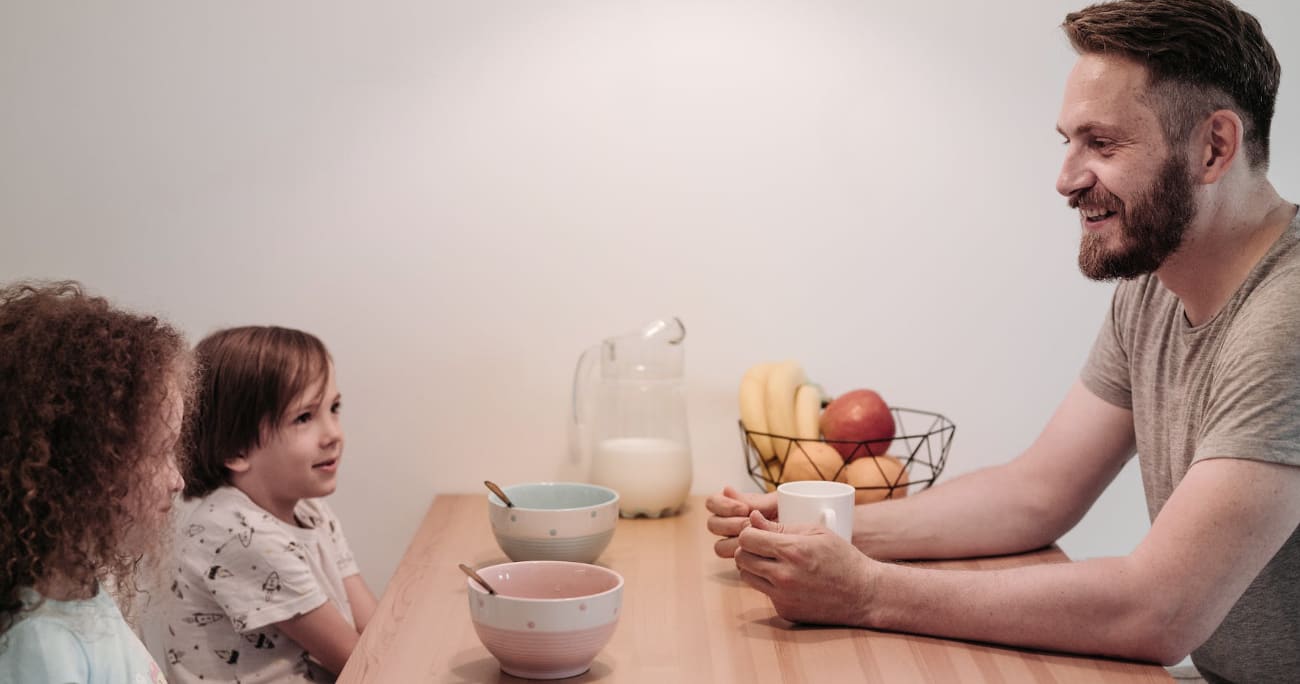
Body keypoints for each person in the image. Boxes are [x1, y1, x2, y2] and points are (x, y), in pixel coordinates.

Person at [706, 1, 1299, 682]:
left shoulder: (1286, 319)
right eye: (1068, 141)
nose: (1066, 179)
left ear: (1214, 148)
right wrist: (827, 529)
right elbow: (1035, 494)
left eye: (1102, 144)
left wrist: (867, 592)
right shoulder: (1156, 287)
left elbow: (1159, 609)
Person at [0, 281, 193, 683]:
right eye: (159, 453)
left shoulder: (80, 586)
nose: (178, 480)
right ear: (83, 468)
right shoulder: (39, 645)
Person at [161, 326, 377, 683]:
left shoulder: (310, 511)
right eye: (304, 417)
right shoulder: (237, 532)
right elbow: (361, 665)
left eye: (334, 408)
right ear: (236, 448)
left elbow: (375, 630)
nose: (333, 434)